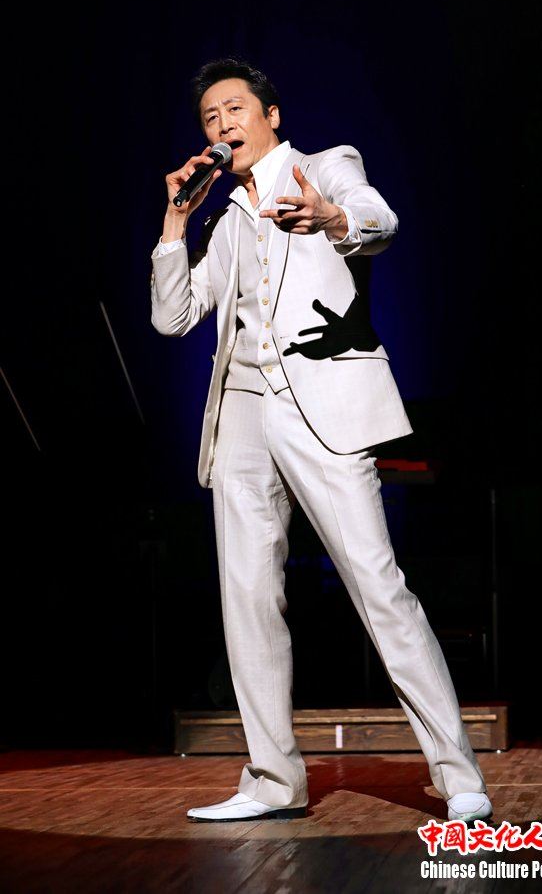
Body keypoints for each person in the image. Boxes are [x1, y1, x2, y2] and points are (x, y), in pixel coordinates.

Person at [150, 57, 492, 825]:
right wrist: (175, 223)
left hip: (326, 408)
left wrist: (333, 219)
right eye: (209, 118)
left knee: (378, 585)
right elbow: (173, 317)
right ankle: (273, 778)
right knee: (247, 597)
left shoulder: (325, 165)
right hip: (242, 415)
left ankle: (457, 772)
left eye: (234, 109)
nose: (222, 125)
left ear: (270, 114)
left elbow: (378, 221)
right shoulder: (223, 219)